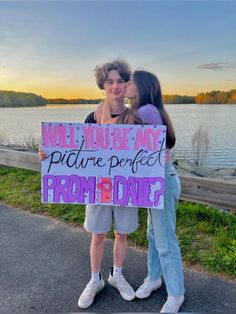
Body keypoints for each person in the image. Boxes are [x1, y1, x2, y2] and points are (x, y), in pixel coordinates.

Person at [38, 59, 138, 309]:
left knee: (122, 234)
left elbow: (144, 152)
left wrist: (162, 154)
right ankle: (96, 280)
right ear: (102, 85)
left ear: (126, 84)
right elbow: (78, 152)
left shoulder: (135, 118)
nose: (115, 86)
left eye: (119, 81)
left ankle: (117, 275)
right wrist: (51, 154)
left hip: (126, 187)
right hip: (98, 187)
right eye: (109, 82)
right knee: (97, 235)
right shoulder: (92, 117)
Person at [101, 70, 185, 313]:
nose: (125, 85)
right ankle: (154, 278)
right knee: (152, 234)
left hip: (161, 180)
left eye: (129, 82)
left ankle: (176, 293)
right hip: (155, 181)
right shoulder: (142, 111)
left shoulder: (146, 111)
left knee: (165, 241)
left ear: (141, 87)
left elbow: (140, 152)